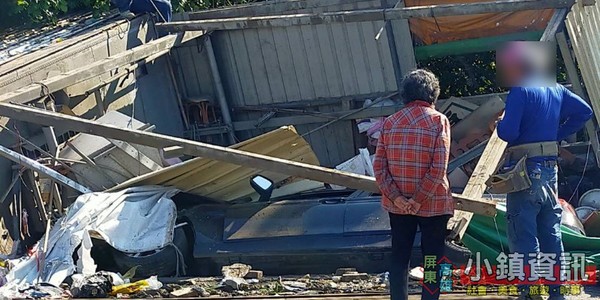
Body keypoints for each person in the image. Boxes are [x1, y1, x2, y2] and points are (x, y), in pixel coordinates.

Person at [496, 41, 593, 300]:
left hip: (524, 172)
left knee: (523, 234)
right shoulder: (556, 89)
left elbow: (508, 132)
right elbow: (585, 112)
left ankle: (529, 293)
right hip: (550, 172)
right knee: (551, 233)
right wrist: (556, 135)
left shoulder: (521, 90)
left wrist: (500, 123)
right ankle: (556, 293)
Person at [374, 69, 454, 300]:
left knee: (399, 257)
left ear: (404, 95)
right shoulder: (439, 121)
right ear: (433, 95)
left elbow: (379, 167)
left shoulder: (390, 123)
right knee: (432, 259)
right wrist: (418, 200)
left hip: (398, 205)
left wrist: (398, 199)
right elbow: (438, 169)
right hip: (433, 203)